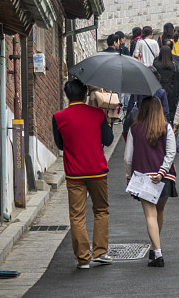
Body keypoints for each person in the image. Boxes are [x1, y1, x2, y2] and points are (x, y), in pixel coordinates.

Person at [52, 79, 115, 269]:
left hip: (74, 173)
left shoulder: (58, 117)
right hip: (96, 170)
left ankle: (83, 258)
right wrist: (107, 120)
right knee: (101, 210)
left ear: (67, 95)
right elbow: (109, 139)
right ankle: (100, 251)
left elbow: (60, 144)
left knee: (77, 216)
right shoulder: (97, 114)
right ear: (85, 94)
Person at [124, 96, 177, 267]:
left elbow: (128, 158)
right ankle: (155, 249)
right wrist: (162, 172)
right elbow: (171, 152)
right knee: (159, 212)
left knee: (150, 215)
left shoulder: (135, 129)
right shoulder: (166, 127)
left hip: (144, 177)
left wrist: (128, 176)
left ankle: (158, 253)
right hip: (165, 177)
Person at [124, 67, 170, 137]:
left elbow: (130, 111)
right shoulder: (161, 93)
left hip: (138, 131)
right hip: (156, 130)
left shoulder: (136, 92)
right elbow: (165, 113)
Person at [154, 45, 179, 122]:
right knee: (170, 110)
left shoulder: (156, 65)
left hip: (159, 88)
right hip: (171, 90)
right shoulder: (175, 65)